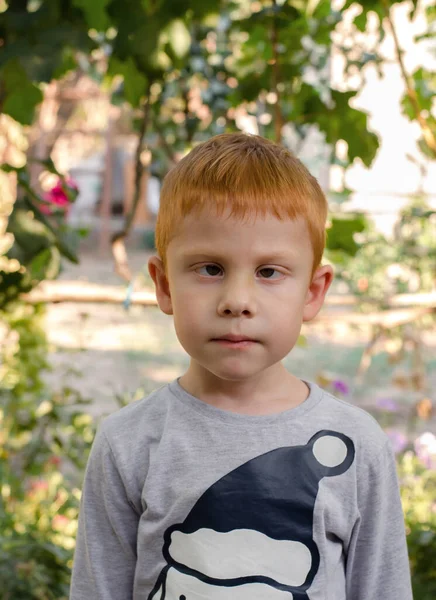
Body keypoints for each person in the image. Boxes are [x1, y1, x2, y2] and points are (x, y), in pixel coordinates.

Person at [70, 133, 413, 600]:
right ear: (165, 285)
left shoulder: (361, 444)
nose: (237, 301)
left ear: (313, 292)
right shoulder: (128, 444)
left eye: (269, 272)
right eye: (210, 268)